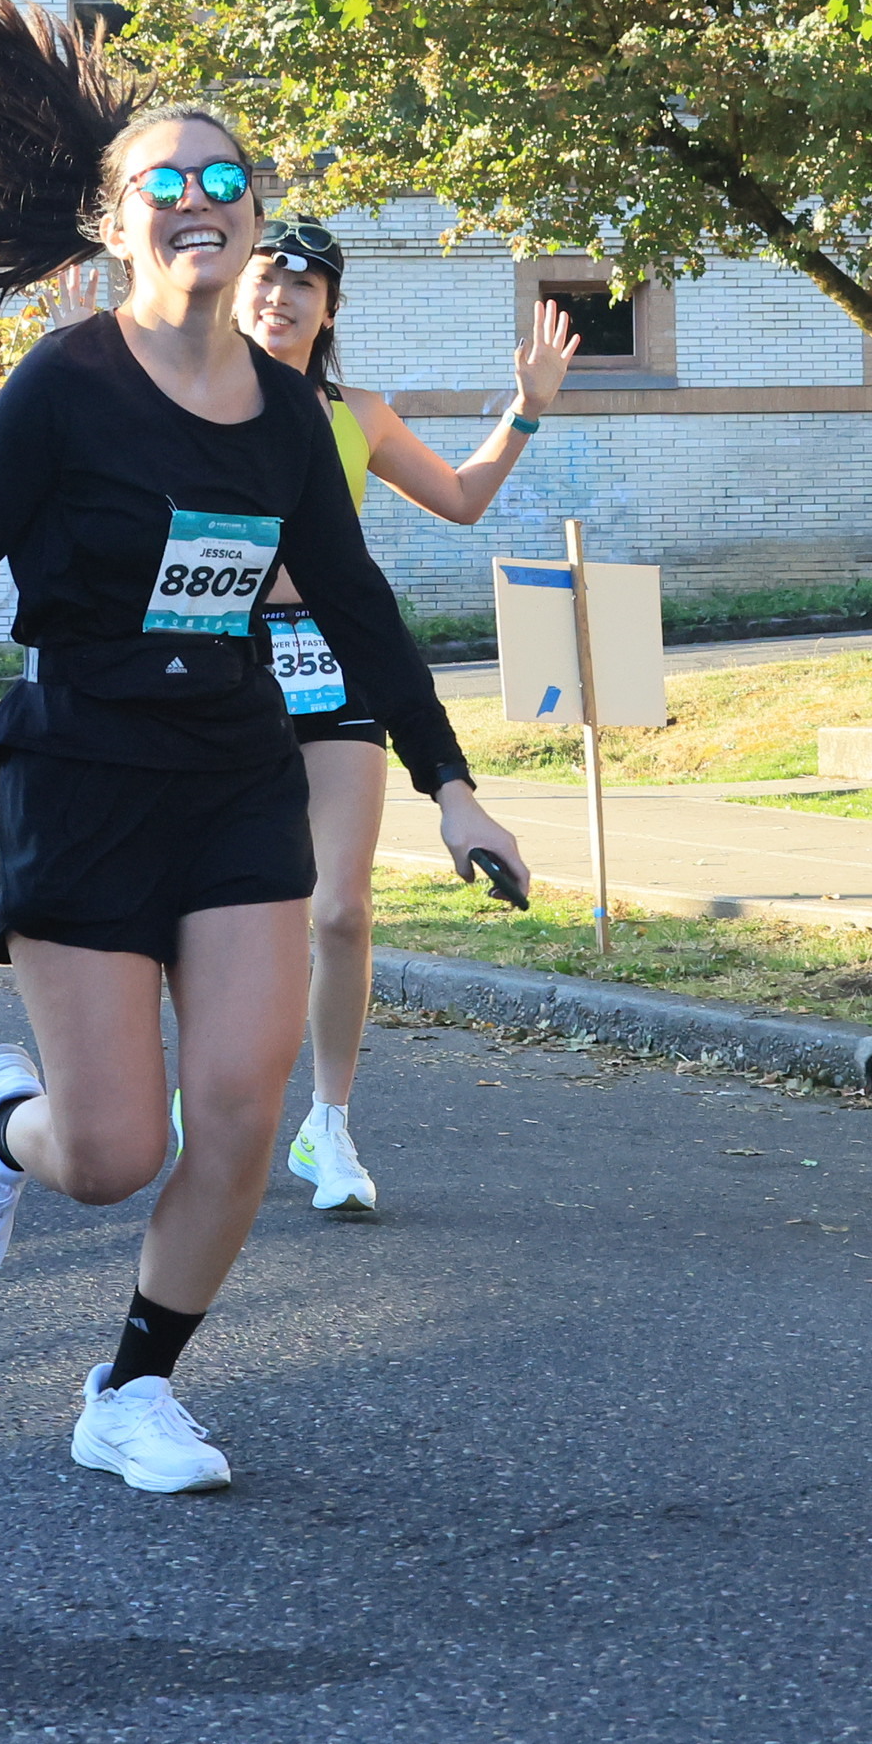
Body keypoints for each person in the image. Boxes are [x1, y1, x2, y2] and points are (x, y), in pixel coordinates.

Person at [0, 0, 528, 1495]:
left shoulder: (290, 416)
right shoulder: (67, 382)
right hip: (81, 768)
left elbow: (355, 607)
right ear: (114, 226)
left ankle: (133, 1388)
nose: (197, 197)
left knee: (236, 1106)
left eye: (224, 177)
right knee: (112, 1153)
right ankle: (3, 1119)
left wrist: (453, 787)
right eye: (162, 181)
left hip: (234, 771)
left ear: (257, 219)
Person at [234, 223, 577, 1214]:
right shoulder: (188, 402)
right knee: (231, 901)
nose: (283, 294)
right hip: (223, 665)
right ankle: (214, 1083)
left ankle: (327, 1123)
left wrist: (526, 409)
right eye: (269, 274)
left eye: (307, 284)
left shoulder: (359, 413)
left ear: (329, 310)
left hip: (337, 658)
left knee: (340, 908)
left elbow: (461, 499)